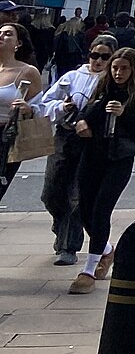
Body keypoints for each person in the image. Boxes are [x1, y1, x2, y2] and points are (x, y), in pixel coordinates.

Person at [66, 47, 135, 292]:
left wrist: (124, 113)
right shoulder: (102, 88)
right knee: (84, 209)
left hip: (118, 159)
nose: (118, 73)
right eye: (115, 67)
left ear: (134, 70)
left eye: (124, 68)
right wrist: (81, 121)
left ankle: (89, 268)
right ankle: (106, 250)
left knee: (100, 210)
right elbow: (85, 112)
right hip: (92, 155)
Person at [35, 35, 111, 262]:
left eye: (104, 57)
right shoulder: (72, 76)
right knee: (51, 192)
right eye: (95, 55)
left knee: (76, 195)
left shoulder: (111, 81)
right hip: (65, 136)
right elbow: (45, 102)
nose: (98, 61)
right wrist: (62, 106)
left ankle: (68, 247)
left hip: (91, 140)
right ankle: (60, 223)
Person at [0, 20, 44, 202]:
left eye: (8, 34)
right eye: (0, 32)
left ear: (19, 44)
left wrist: (28, 109)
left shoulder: (28, 72)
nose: (1, 36)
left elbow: (41, 109)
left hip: (6, 138)